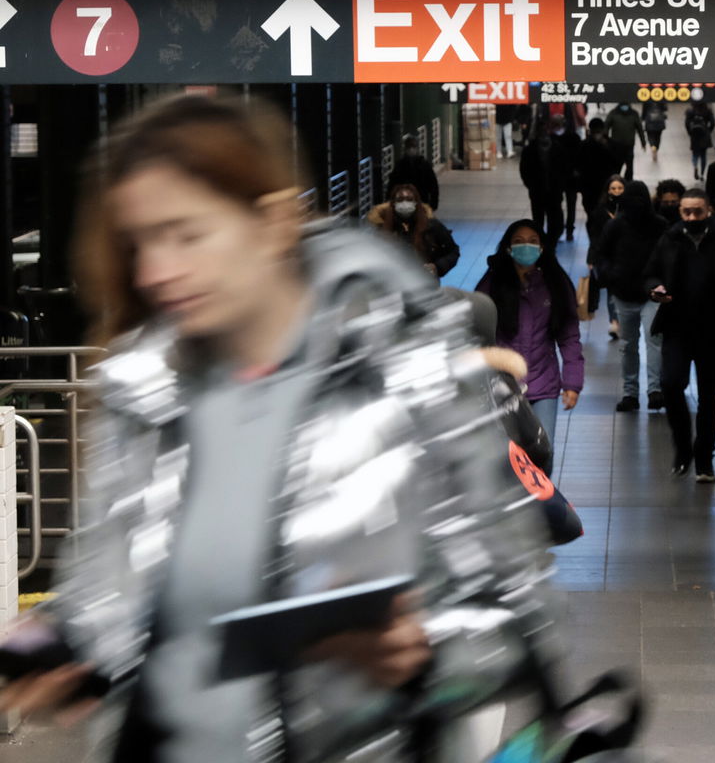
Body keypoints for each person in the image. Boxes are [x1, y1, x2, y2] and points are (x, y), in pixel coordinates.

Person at [0, 94, 561, 762]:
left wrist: (423, 646)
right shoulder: (141, 388)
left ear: (269, 224)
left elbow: (510, 602)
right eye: (140, 241)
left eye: (187, 235)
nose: (155, 270)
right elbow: (109, 586)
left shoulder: (409, 376)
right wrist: (63, 643)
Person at [644, 188, 715, 483]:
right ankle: (683, 447)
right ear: (680, 212)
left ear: (709, 212)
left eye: (697, 212)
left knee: (708, 398)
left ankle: (704, 459)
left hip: (714, 332)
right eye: (686, 212)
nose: (691, 217)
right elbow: (651, 273)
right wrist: (656, 289)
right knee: (670, 384)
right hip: (677, 328)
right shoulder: (670, 239)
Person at [476, 220, 584, 476]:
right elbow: (476, 329)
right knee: (506, 452)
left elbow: (569, 336)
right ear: (508, 248)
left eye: (533, 241)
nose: (526, 246)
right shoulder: (492, 284)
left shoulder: (556, 284)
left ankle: (542, 508)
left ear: (543, 247)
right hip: (503, 383)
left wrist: (572, 383)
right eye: (518, 241)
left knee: (543, 450)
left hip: (543, 382)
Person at [593, 181, 667, 412]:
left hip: (644, 294)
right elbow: (601, 255)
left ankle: (642, 392)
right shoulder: (623, 226)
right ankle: (642, 391)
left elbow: (601, 254)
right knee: (645, 343)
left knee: (634, 344)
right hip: (634, 294)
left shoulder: (653, 225)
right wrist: (608, 276)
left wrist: (609, 276)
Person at [366, 182, 460, 278]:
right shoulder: (382, 229)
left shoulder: (431, 226)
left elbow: (453, 251)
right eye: (400, 200)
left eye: (409, 199)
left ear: (416, 203)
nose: (405, 203)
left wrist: (436, 267)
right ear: (393, 203)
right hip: (393, 284)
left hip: (425, 283)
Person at [519, 118, 572, 247]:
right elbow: (524, 170)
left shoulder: (558, 148)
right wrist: (531, 185)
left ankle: (551, 242)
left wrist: (560, 185)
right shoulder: (530, 150)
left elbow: (565, 169)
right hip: (537, 192)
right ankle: (541, 242)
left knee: (556, 221)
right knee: (538, 220)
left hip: (554, 191)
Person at [588, 175, 626, 342]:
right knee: (612, 289)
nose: (616, 192)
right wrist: (592, 257)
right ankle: (615, 321)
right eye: (613, 188)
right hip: (607, 256)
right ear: (608, 190)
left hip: (627, 255)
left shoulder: (630, 209)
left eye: (620, 188)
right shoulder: (600, 210)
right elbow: (594, 235)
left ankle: (622, 319)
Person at [578, 118, 622, 217]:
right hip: (590, 186)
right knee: (592, 213)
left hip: (606, 185)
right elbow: (579, 164)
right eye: (595, 131)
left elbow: (617, 162)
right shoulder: (584, 145)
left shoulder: (610, 144)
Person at [388, 134, 440, 212]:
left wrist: (433, 204)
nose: (411, 149)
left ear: (417, 148)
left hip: (421, 201)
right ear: (405, 148)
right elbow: (392, 184)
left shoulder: (424, 165)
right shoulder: (400, 165)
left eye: (413, 146)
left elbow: (433, 185)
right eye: (409, 146)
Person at [604, 102, 646, 180]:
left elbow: (606, 126)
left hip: (620, 145)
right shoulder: (633, 114)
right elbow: (640, 129)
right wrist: (643, 143)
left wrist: (643, 142)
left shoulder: (614, 113)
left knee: (620, 167)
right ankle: (624, 182)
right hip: (623, 145)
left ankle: (618, 181)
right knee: (626, 166)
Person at [684, 101, 715, 180]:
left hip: (694, 135)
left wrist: (690, 132)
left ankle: (695, 166)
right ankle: (702, 174)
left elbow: (687, 124)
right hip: (704, 134)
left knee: (695, 154)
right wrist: (708, 131)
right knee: (703, 155)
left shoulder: (690, 111)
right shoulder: (707, 111)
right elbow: (713, 123)